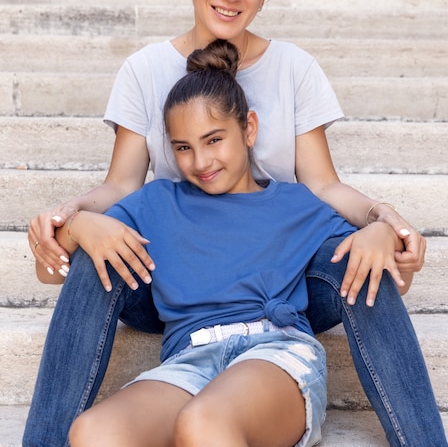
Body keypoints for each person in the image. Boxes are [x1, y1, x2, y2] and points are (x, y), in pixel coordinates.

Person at [24, 0, 446, 447]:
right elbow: (122, 186)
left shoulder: (293, 69)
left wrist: (380, 219)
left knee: (357, 262)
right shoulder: (147, 70)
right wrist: (72, 219)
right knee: (97, 258)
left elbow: (321, 185)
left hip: (282, 279)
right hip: (180, 278)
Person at [40, 39, 410, 447]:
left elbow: (386, 284)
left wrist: (380, 230)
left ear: (248, 129)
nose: (200, 162)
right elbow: (49, 271)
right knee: (93, 432)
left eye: (214, 139)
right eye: (183, 147)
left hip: (274, 353)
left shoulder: (296, 203)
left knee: (203, 422)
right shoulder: (155, 203)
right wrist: (76, 225)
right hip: (187, 361)